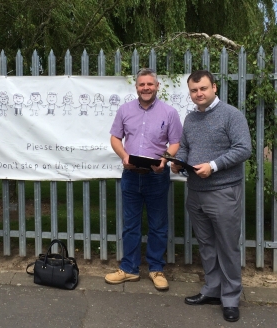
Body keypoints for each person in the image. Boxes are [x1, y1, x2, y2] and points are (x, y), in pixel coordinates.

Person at [170, 70, 251, 322]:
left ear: (214, 88)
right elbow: (185, 147)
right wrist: (179, 162)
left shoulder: (231, 115)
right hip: (195, 192)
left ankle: (231, 298)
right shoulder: (191, 118)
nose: (199, 94)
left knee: (227, 247)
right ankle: (212, 290)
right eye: (194, 90)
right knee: (206, 246)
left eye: (203, 88)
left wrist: (213, 166)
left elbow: (243, 149)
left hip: (223, 191)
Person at [105, 68, 182, 290]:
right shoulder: (125, 110)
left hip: (156, 176)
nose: (146, 88)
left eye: (150, 84)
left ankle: (156, 269)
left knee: (158, 225)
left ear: (157, 86)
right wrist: (124, 156)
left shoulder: (169, 113)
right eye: (142, 84)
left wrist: (166, 159)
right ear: (136, 87)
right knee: (131, 225)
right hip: (131, 175)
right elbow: (115, 137)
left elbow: (175, 141)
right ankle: (129, 269)